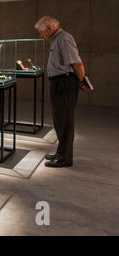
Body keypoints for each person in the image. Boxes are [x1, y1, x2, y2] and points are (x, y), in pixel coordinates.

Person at [35, 16, 89, 168]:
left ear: (50, 28)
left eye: (41, 32)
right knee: (59, 120)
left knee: (65, 121)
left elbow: (77, 63)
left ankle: (65, 158)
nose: (41, 35)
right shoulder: (56, 39)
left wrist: (82, 80)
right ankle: (61, 152)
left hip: (65, 82)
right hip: (58, 82)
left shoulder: (64, 38)